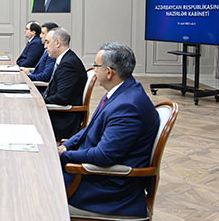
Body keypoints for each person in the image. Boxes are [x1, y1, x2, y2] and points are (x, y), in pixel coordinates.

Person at [59, 43, 159, 218]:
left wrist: (65, 155)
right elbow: (90, 128)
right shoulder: (122, 90)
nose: (94, 70)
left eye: (96, 66)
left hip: (108, 190)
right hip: (93, 174)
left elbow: (104, 156)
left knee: (35, 188)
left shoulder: (128, 106)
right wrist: (67, 145)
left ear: (109, 72)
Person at [42, 28, 87, 141]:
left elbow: (62, 97)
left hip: (63, 120)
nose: (45, 46)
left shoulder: (68, 64)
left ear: (57, 43)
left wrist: (39, 101)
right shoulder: (66, 59)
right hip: (58, 113)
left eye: (47, 42)